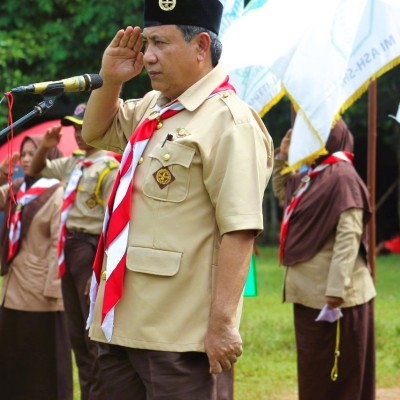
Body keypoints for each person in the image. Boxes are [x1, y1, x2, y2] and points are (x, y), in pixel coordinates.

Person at [81, 1, 273, 399]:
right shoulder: (155, 107)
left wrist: (221, 326)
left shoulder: (228, 121)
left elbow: (239, 229)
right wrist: (110, 80)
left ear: (201, 45)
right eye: (146, 43)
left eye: (160, 44)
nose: (147, 56)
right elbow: (96, 133)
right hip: (121, 321)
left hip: (178, 336)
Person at [272, 119, 376, 400]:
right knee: (315, 376)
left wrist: (335, 292)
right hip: (309, 295)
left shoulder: (342, 176)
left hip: (336, 301)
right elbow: (284, 193)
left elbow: (348, 238)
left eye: (313, 134)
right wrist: (283, 156)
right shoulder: (314, 173)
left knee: (341, 378)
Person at [29, 104, 119, 400]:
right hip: (67, 247)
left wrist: (98, 271)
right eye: (76, 128)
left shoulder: (109, 167)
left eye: (85, 127)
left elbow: (112, 223)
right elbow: (36, 170)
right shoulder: (75, 163)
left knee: (91, 333)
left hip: (89, 248)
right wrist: (45, 147)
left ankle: (98, 394)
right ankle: (88, 392)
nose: (79, 134)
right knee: (76, 335)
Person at [0, 135, 73, 400]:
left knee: (45, 364)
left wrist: (54, 292)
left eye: (34, 153)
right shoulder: (17, 187)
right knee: (12, 360)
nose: (28, 158)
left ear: (49, 156)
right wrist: (1, 173)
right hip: (13, 287)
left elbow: (59, 244)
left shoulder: (57, 192)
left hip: (42, 293)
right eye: (25, 154)